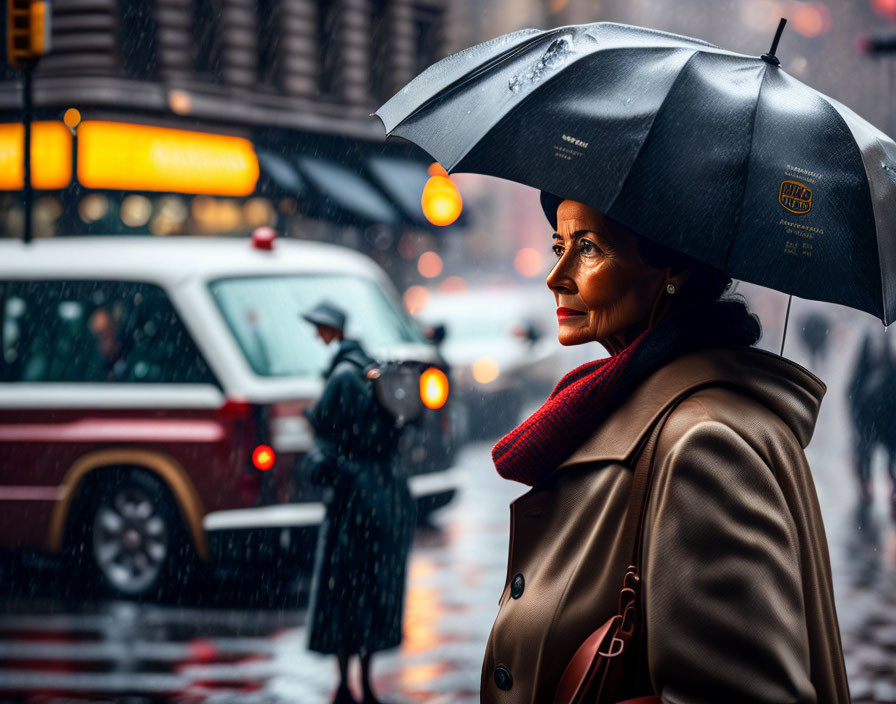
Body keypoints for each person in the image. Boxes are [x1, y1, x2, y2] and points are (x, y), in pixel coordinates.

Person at [481, 197, 850, 703]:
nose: (556, 275)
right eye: (558, 246)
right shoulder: (630, 404)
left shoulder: (703, 447)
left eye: (587, 248)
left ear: (671, 269)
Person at [301, 301, 415, 704]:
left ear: (330, 331)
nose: (317, 335)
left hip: (354, 499)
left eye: (319, 329)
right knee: (376, 587)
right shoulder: (374, 369)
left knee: (345, 591)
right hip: (389, 495)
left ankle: (345, 683)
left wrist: (318, 462)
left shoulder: (342, 377)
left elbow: (326, 439)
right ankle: (366, 681)